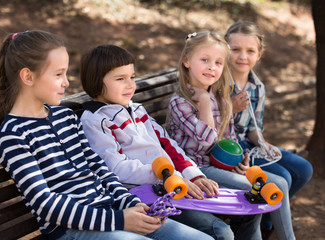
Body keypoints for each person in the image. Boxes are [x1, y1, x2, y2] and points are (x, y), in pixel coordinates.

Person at [0, 30, 215, 240]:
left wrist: (130, 204)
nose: (67, 82)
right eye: (58, 74)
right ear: (28, 77)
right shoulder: (13, 135)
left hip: (111, 210)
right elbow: (45, 203)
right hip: (73, 228)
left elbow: (99, 168)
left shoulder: (65, 117)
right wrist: (118, 220)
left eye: (66, 73)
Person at [79, 44, 262, 240]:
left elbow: (169, 145)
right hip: (143, 195)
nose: (130, 85)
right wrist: (170, 177)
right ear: (97, 81)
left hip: (173, 184)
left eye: (132, 77)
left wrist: (194, 176)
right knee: (221, 232)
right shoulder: (96, 120)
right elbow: (116, 168)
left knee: (250, 208)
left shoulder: (137, 110)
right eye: (120, 79)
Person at [167, 30, 296, 240]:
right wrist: (205, 104)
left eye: (218, 63)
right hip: (195, 171)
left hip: (220, 168)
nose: (211, 67)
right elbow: (208, 139)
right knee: (257, 190)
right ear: (187, 61)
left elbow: (230, 139)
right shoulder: (180, 104)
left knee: (279, 183)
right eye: (205, 60)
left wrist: (241, 162)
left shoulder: (222, 100)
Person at [225, 21, 313, 237]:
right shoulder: (219, 82)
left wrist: (264, 144)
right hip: (232, 149)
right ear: (225, 50)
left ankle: (267, 218)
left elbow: (255, 127)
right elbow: (213, 128)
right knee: (284, 176)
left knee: (303, 169)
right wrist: (231, 107)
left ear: (259, 54)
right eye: (235, 49)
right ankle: (267, 227)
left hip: (250, 143)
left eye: (250, 51)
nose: (242, 56)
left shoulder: (257, 87)